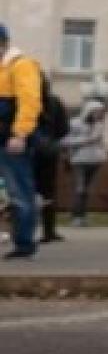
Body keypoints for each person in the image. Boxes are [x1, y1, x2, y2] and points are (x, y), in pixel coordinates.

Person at [0, 23, 45, 259]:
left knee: (19, 192)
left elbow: (30, 101)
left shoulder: (20, 65)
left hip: (11, 140)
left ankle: (24, 243)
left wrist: (20, 134)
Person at [31, 71, 68, 243]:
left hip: (27, 150)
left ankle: (23, 230)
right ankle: (49, 230)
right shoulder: (55, 101)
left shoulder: (25, 100)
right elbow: (64, 128)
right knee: (48, 191)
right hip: (49, 151)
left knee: (24, 190)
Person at [61, 99, 108, 227]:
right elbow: (65, 140)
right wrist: (85, 140)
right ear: (89, 111)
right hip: (79, 160)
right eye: (97, 112)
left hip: (95, 160)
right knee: (80, 189)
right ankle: (76, 216)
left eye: (101, 112)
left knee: (87, 190)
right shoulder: (75, 123)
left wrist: (101, 150)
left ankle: (82, 215)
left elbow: (98, 141)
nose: (99, 115)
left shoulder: (99, 125)